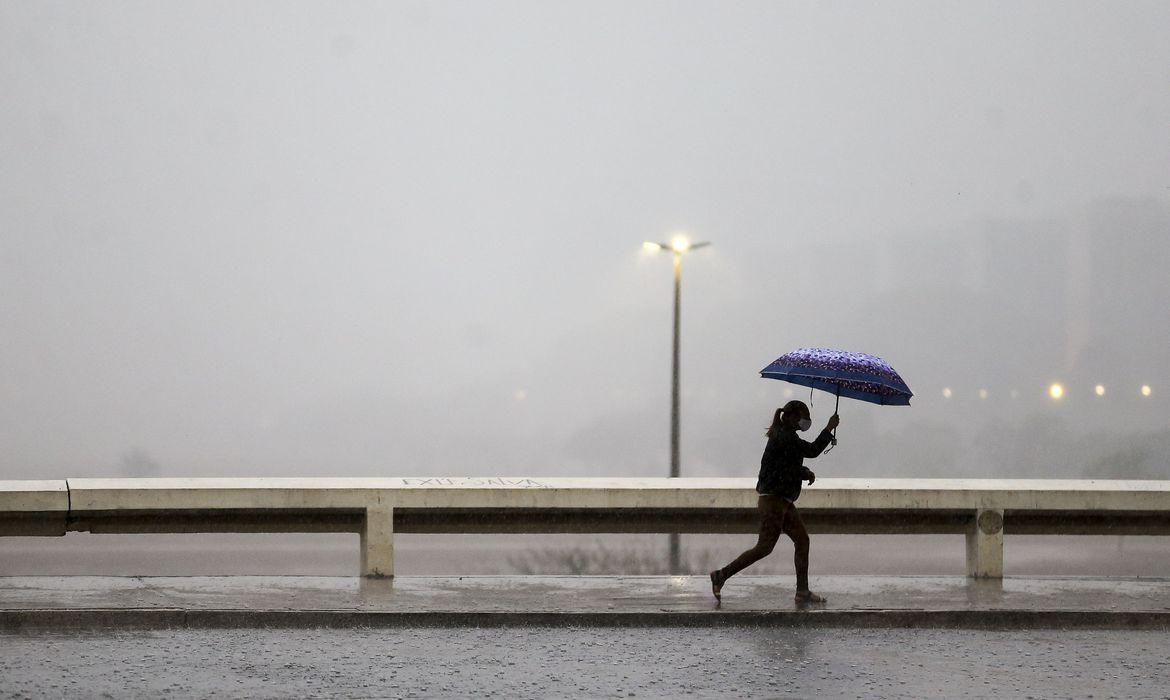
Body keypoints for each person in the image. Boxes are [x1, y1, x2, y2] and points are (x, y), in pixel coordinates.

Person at [709, 400, 839, 604]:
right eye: (802, 417)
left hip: (782, 501)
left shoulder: (785, 436)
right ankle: (721, 575)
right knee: (765, 547)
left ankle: (802, 591)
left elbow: (787, 467)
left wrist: (803, 472)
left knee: (802, 540)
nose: (805, 421)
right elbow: (812, 450)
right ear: (789, 417)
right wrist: (829, 429)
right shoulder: (785, 437)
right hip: (774, 502)